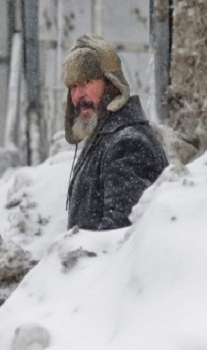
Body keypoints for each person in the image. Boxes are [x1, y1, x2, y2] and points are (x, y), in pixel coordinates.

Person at [63, 34, 168, 230]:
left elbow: (120, 234)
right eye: (72, 86)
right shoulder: (106, 137)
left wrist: (88, 260)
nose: (78, 96)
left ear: (111, 84)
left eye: (86, 82)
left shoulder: (127, 144)